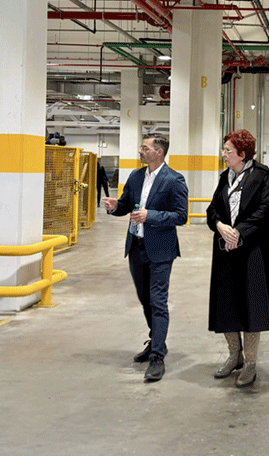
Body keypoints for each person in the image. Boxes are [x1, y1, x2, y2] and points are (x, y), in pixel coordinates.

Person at [103, 134, 188, 382]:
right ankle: (155, 341)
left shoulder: (174, 180)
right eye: (141, 147)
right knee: (145, 300)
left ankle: (158, 357)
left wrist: (150, 216)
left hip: (161, 251)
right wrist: (114, 206)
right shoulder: (136, 176)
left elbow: (180, 216)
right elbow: (126, 205)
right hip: (136, 248)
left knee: (158, 301)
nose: (141, 151)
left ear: (159, 152)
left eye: (145, 148)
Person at [206, 129, 269, 388]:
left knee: (252, 304)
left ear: (242, 154)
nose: (223, 154)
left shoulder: (261, 175)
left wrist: (239, 232)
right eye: (224, 149)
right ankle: (233, 355)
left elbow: (266, 209)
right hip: (225, 250)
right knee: (227, 302)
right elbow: (213, 208)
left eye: (228, 150)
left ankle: (250, 362)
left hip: (252, 250)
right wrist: (220, 226)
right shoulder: (224, 178)